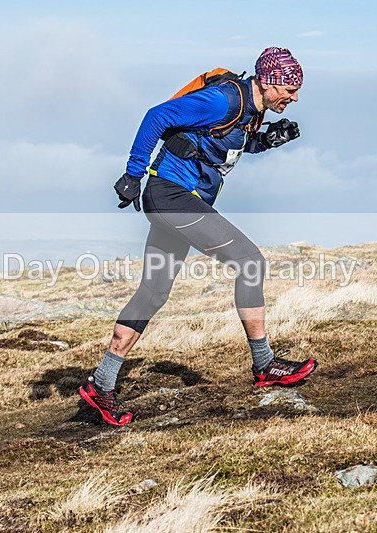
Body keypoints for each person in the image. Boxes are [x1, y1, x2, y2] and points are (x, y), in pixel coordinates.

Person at [79, 47, 317, 426]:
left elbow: (226, 145)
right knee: (250, 262)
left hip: (177, 200)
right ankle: (264, 363)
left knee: (153, 292)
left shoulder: (251, 111)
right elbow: (156, 117)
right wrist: (133, 173)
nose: (295, 97)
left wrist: (268, 141)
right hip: (170, 195)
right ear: (269, 82)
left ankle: (101, 383)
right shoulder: (223, 99)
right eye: (290, 88)